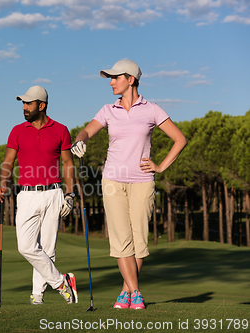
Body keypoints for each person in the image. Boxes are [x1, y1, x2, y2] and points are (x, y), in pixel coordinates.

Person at [71, 59, 187, 310]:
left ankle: (125, 293)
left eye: (115, 77)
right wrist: (79, 141)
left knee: (139, 242)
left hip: (143, 182)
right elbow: (87, 131)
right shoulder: (107, 110)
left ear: (131, 79)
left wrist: (160, 166)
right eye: (110, 78)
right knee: (121, 240)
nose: (111, 82)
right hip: (112, 180)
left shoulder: (152, 110)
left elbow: (180, 139)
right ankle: (136, 293)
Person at [0, 85, 78, 305]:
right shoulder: (17, 130)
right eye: (23, 103)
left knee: (48, 249)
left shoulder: (60, 130)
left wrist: (70, 195)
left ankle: (37, 296)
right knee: (26, 247)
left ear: (41, 105)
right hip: (27, 194)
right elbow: (8, 162)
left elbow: (68, 164)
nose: (24, 107)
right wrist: (3, 183)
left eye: (28, 103)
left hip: (53, 193)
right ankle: (62, 283)